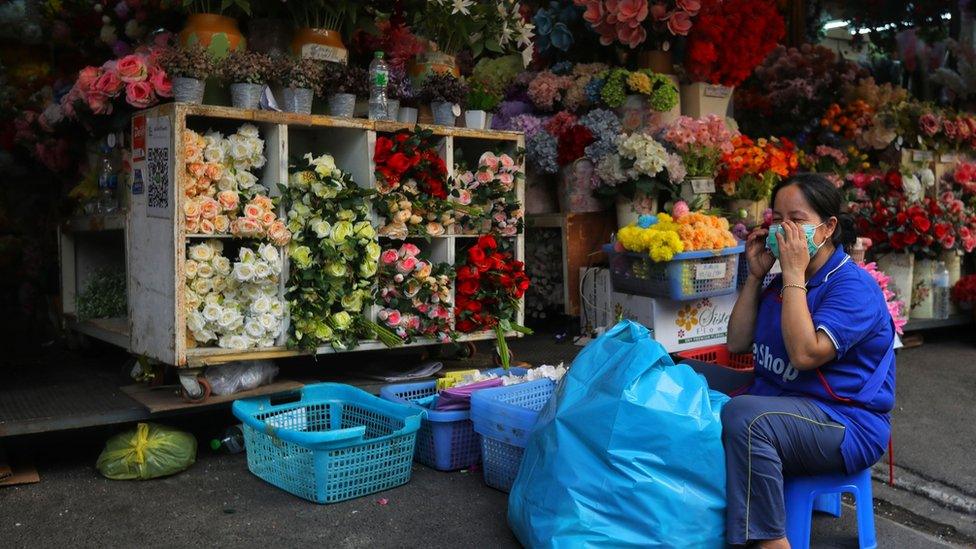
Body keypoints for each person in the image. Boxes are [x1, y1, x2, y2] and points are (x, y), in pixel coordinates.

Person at [694, 174, 896, 548]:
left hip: (844, 422)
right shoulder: (781, 278)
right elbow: (738, 342)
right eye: (778, 218)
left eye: (797, 220)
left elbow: (805, 354)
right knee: (683, 377)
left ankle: (770, 541)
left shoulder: (851, 288)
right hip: (782, 398)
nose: (785, 230)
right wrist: (755, 277)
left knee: (747, 418)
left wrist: (790, 275)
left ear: (827, 228)